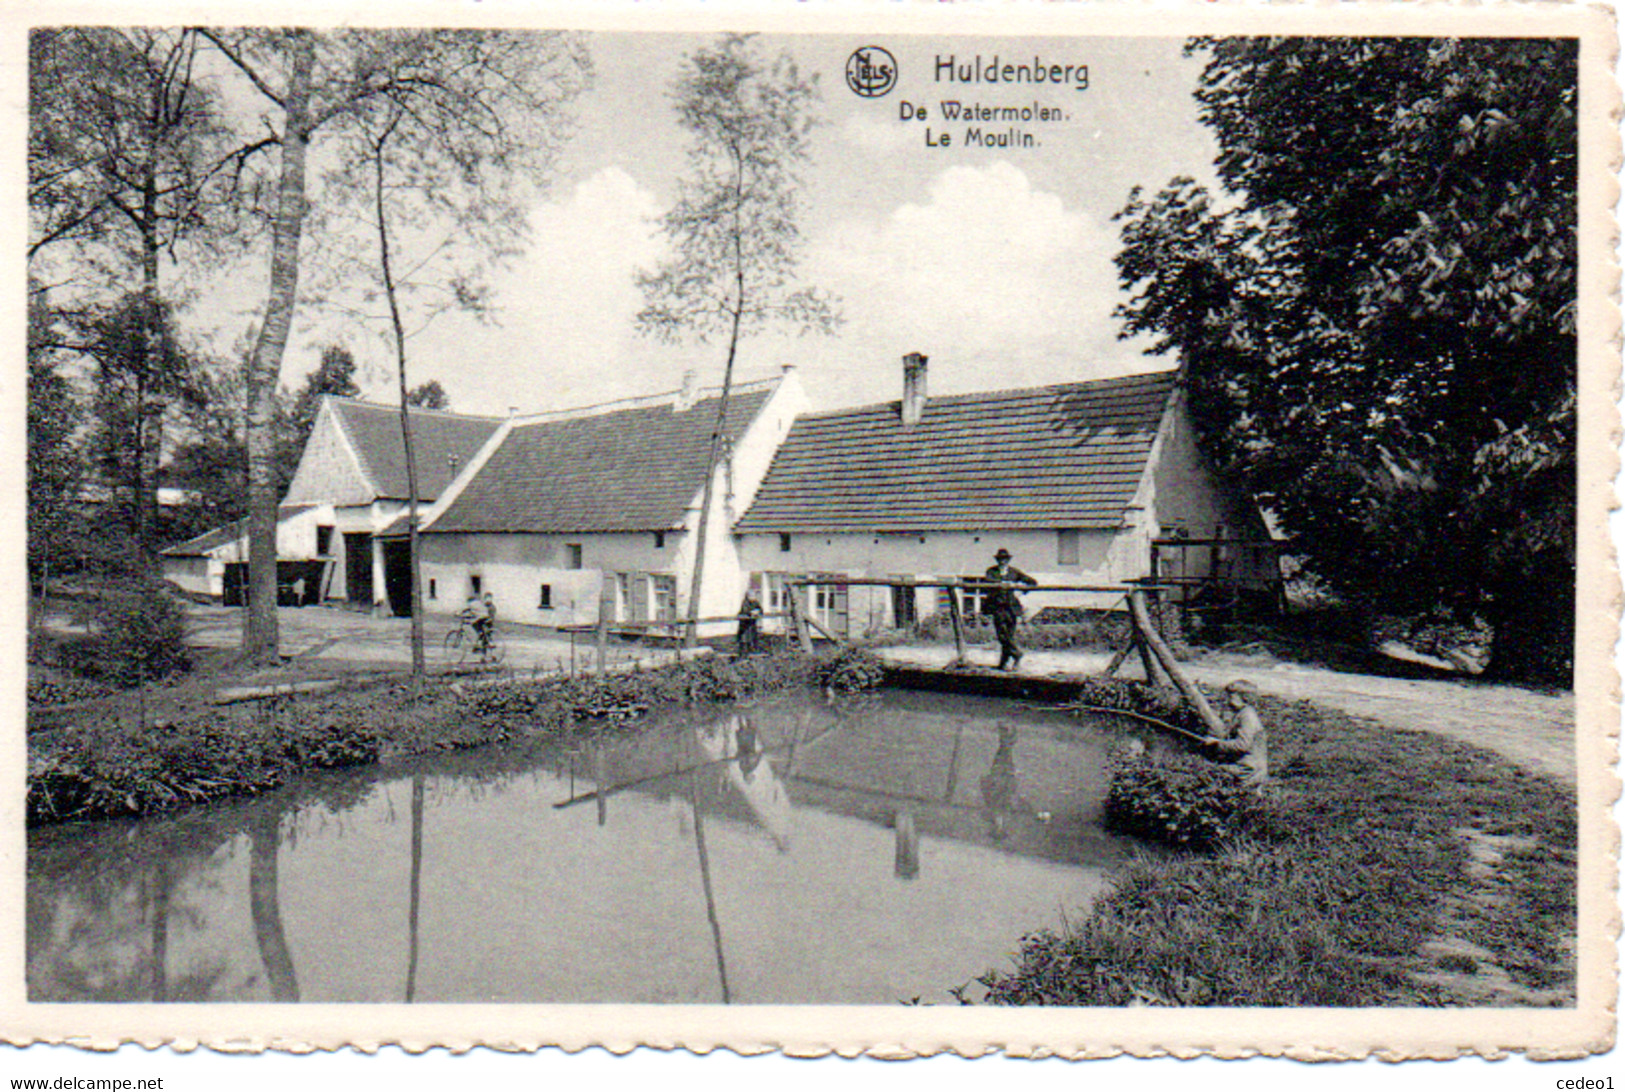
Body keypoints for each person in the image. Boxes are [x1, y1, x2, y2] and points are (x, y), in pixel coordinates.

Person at [983, 548, 1036, 670]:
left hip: (1012, 607)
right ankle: (1017, 654)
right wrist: (1004, 583)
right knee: (1002, 635)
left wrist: (1021, 591)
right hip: (998, 607)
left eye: (1005, 559)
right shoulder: (991, 571)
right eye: (1000, 559)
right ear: (997, 560)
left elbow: (1032, 582)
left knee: (1009, 635)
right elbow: (989, 581)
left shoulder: (1014, 572)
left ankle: (1004, 663)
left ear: (1008, 560)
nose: (1003, 561)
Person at [1213, 679, 1269, 788]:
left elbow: (1242, 745)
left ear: (1242, 696)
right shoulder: (1244, 713)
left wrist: (1217, 743)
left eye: (1231, 695)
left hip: (1248, 770)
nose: (1228, 699)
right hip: (1253, 767)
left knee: (1210, 770)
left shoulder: (1247, 716)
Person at [736, 591, 763, 657]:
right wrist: (751, 612)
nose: (753, 597)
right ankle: (743, 655)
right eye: (751, 596)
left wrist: (758, 611)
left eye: (754, 596)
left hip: (752, 625)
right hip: (745, 626)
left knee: (753, 639)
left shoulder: (755, 602)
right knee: (744, 641)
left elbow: (760, 610)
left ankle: (752, 653)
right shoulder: (745, 602)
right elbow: (745, 611)